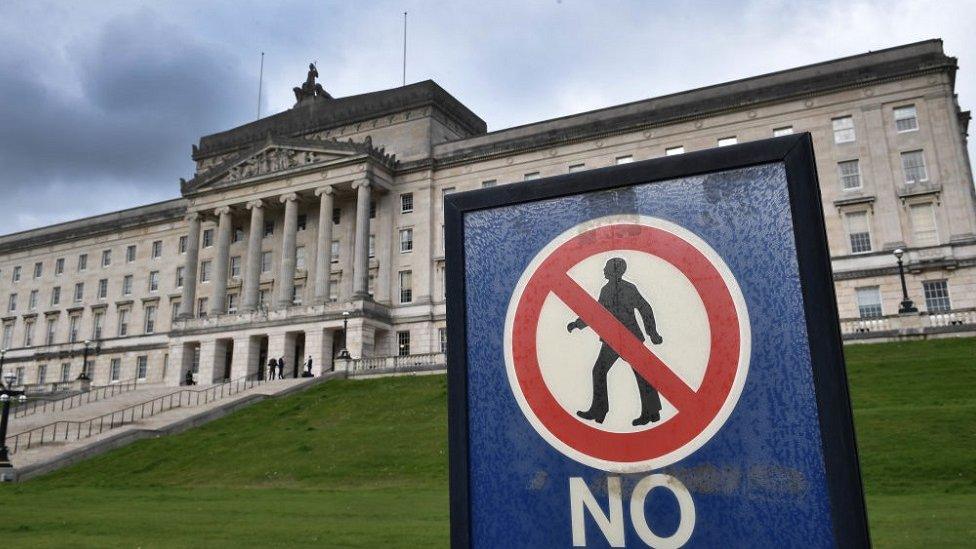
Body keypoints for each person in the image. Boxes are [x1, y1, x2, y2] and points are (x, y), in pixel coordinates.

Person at [567, 257, 664, 426]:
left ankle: (650, 413)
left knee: (637, 373)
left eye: (606, 267)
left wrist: (653, 333)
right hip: (614, 339)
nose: (603, 270)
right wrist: (578, 324)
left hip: (627, 339)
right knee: (603, 371)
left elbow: (644, 308)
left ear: (613, 270)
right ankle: (602, 410)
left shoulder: (622, 289)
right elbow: (596, 313)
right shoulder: (611, 289)